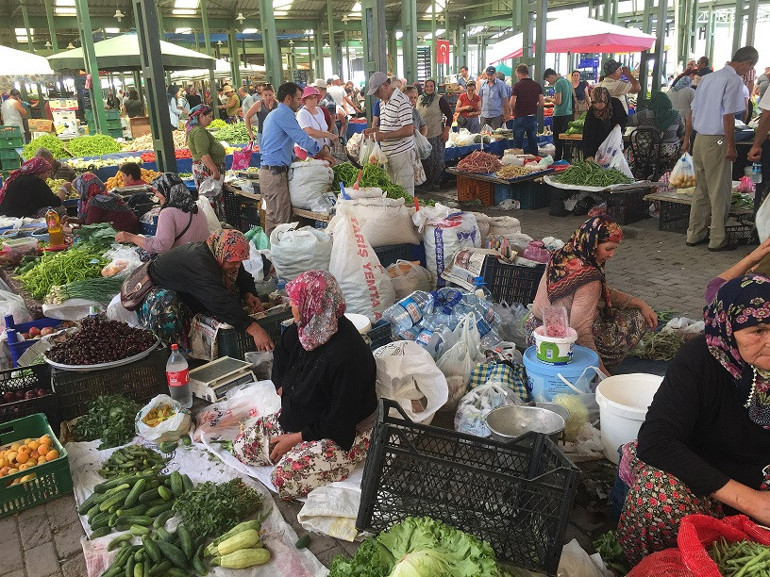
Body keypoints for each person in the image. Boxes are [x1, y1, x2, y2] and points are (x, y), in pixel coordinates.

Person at [616, 273, 770, 565]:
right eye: (758, 330)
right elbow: (656, 441)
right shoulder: (699, 361)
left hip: (761, 479)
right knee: (657, 499)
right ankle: (651, 566)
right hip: (706, 484)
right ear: (728, 328)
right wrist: (755, 502)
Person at [233, 270, 376, 501]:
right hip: (304, 416)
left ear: (315, 305)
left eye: (296, 302)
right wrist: (281, 385)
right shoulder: (307, 328)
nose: (292, 306)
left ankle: (349, 455)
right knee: (242, 447)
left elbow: (340, 420)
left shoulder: (349, 355)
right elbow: (281, 352)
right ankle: (301, 445)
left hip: (345, 430)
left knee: (283, 480)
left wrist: (297, 438)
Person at [524, 215, 657, 375]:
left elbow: (601, 293)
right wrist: (600, 372)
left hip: (535, 335)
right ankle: (603, 363)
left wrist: (639, 302)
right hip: (561, 347)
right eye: (608, 249)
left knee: (629, 309)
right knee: (636, 318)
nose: (612, 255)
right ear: (592, 244)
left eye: (615, 249)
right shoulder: (589, 279)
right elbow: (579, 330)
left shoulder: (563, 254)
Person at [140, 230, 272, 348]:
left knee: (232, 292)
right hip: (159, 293)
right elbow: (219, 300)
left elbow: (243, 277)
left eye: (240, 261)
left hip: (188, 288)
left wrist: (249, 294)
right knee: (166, 305)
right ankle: (175, 350)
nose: (238, 265)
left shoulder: (224, 254)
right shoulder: (201, 264)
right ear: (222, 253)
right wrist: (254, 329)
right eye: (234, 262)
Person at [684, 46, 759, 252]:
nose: (748, 72)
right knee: (719, 190)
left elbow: (692, 112)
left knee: (701, 189)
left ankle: (694, 233)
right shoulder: (733, 80)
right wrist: (731, 145)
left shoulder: (708, 78)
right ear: (747, 63)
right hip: (717, 140)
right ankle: (717, 238)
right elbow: (728, 116)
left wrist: (686, 141)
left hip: (699, 139)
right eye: (750, 67)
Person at [259, 82, 323, 234]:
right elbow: (302, 138)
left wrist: (294, 157)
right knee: (282, 223)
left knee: (273, 219)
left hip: (268, 173)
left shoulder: (273, 114)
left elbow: (276, 144)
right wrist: (320, 152)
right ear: (288, 98)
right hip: (275, 174)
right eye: (298, 98)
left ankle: (272, 255)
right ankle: (280, 256)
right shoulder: (284, 114)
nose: (300, 103)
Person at [115, 173, 209, 255]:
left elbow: (161, 247)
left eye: (158, 191)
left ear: (167, 192)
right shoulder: (196, 207)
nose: (156, 195)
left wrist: (131, 238)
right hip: (202, 255)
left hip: (184, 261)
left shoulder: (167, 213)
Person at [363, 72, 416, 197]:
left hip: (401, 154)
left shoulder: (401, 101)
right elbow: (389, 126)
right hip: (387, 156)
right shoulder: (383, 102)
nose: (376, 95)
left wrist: (384, 136)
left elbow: (409, 130)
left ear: (386, 85)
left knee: (404, 193)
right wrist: (374, 130)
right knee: (392, 192)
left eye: (377, 91)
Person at [628, 91, 684, 166]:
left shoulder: (643, 115)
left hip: (647, 153)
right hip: (670, 152)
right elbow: (681, 132)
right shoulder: (676, 116)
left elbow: (627, 121)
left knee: (629, 150)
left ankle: (637, 171)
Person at [416, 79, 452, 191]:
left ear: (434, 87)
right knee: (424, 161)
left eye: (431, 86)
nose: (429, 88)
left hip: (436, 135)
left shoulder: (440, 100)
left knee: (436, 161)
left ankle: (435, 183)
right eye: (427, 86)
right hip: (422, 136)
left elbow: (450, 116)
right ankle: (426, 183)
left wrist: (446, 131)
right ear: (424, 87)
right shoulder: (419, 99)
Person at [73, 173, 139, 232]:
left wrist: (72, 230)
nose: (78, 193)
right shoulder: (106, 195)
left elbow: (90, 228)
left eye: (78, 190)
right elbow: (87, 221)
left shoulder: (96, 201)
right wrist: (70, 220)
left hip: (125, 231)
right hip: (131, 227)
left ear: (84, 189)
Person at [186, 105, 226, 191]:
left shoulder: (198, 130)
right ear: (201, 116)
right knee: (210, 198)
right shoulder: (198, 132)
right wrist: (214, 170)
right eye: (209, 116)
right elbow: (203, 154)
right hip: (207, 172)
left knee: (210, 198)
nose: (211, 119)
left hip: (206, 170)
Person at [581, 87, 628, 161]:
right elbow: (588, 134)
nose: (598, 105)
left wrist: (619, 127)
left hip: (614, 145)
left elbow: (624, 119)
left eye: (600, 101)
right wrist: (589, 155)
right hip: (597, 145)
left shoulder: (615, 104)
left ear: (606, 99)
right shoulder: (592, 111)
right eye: (595, 102)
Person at [295, 86, 337, 163]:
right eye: (310, 98)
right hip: (308, 152)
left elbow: (323, 128)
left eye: (315, 97)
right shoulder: (302, 113)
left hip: (321, 151)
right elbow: (309, 131)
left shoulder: (319, 110)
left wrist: (326, 144)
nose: (313, 100)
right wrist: (328, 135)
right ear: (305, 100)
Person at [510, 64, 545, 156]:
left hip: (520, 117)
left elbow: (512, 103)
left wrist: (513, 110)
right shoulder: (537, 85)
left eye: (517, 75)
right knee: (533, 141)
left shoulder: (517, 86)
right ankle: (535, 161)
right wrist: (535, 108)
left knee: (518, 143)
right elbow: (542, 102)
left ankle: (517, 162)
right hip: (532, 117)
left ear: (520, 74)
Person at [544, 68, 574, 161]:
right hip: (568, 113)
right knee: (566, 137)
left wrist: (549, 99)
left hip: (560, 114)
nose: (550, 83)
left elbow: (558, 101)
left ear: (551, 76)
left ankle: (557, 159)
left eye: (549, 80)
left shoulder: (558, 83)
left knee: (557, 139)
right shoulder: (567, 82)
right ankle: (566, 158)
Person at [667, 75, 695, 143]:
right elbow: (695, 106)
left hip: (672, 119)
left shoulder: (670, 91)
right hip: (686, 119)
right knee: (686, 139)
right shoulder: (691, 91)